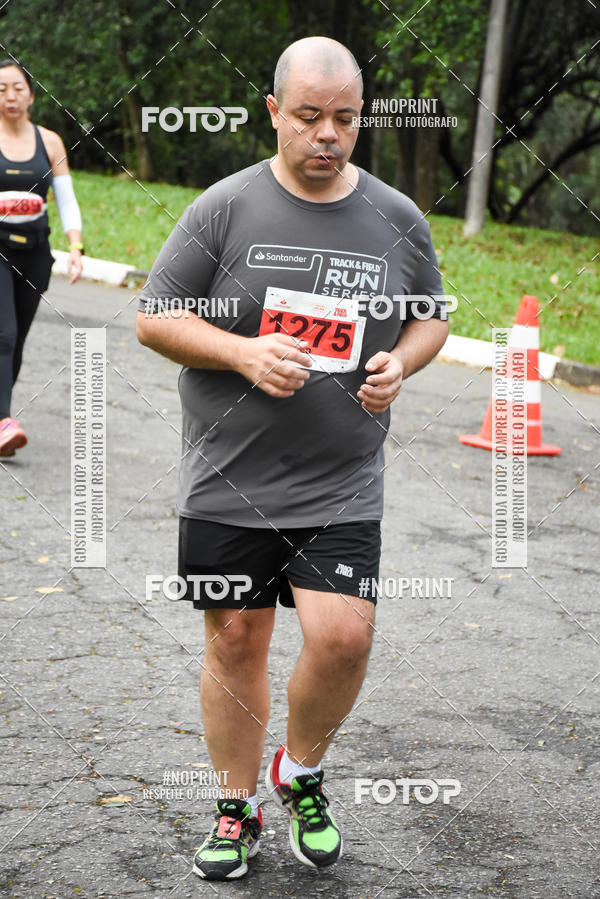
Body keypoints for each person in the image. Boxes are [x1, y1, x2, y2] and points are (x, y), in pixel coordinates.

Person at [137, 36, 449, 881]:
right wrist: (242, 353)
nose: (327, 135)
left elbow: (432, 315)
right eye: (308, 116)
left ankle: (300, 772)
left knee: (344, 636)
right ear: (274, 111)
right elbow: (155, 315)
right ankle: (235, 807)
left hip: (341, 480)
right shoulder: (224, 207)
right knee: (236, 637)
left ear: (361, 117)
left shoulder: (395, 215)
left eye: (344, 118)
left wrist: (402, 362)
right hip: (228, 478)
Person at [0, 59, 83, 457]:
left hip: (35, 253)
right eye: (1, 89)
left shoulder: (49, 142)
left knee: (16, 341)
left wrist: (76, 246)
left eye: (17, 88)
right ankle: (4, 421)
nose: (10, 96)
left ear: (31, 95)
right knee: (3, 335)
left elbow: (66, 198)